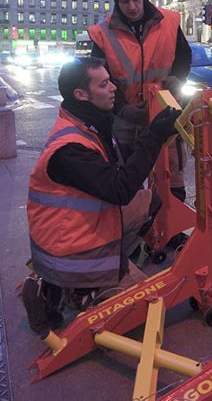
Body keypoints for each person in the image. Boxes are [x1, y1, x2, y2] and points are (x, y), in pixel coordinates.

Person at [22, 57, 180, 335]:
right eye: (104, 84)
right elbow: (119, 188)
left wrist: (153, 131)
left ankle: (89, 278)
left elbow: (120, 166)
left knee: (149, 200)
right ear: (81, 94)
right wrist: (154, 137)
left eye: (111, 81)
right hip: (72, 250)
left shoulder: (87, 122)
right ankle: (82, 289)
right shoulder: (70, 148)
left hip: (77, 228)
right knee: (148, 308)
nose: (113, 89)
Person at [88, 0, 192, 247]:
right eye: (125, 1)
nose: (133, 6)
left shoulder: (169, 21)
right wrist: (121, 107)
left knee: (172, 173)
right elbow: (100, 75)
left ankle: (171, 229)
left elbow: (183, 57)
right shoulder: (103, 33)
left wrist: (177, 78)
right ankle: (138, 229)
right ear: (116, 2)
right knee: (131, 176)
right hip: (127, 120)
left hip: (165, 112)